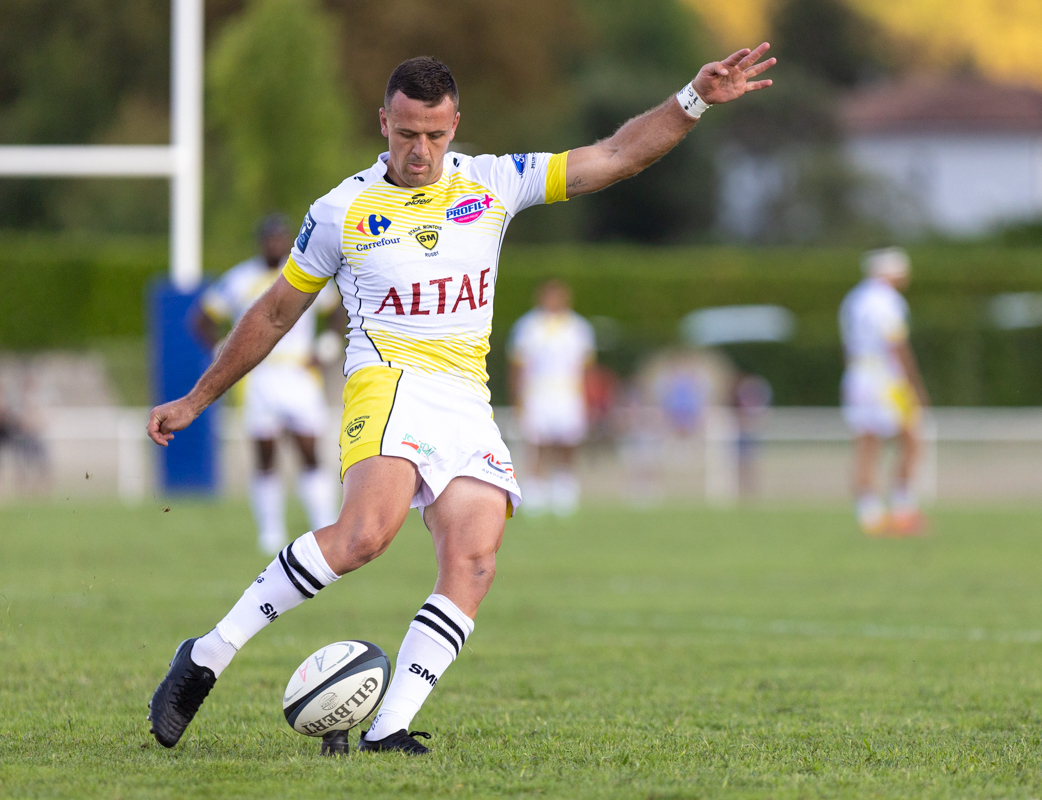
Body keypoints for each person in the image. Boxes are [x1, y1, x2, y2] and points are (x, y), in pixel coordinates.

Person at [146, 49, 776, 754]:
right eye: (406, 133)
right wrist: (197, 399)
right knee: (364, 537)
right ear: (383, 122)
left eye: (435, 135)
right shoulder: (340, 210)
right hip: (388, 380)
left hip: (465, 399)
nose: (420, 151)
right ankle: (207, 655)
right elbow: (272, 313)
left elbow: (616, 155)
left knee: (474, 562)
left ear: (455, 126)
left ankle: (388, 727)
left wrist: (693, 98)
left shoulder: (495, 181)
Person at [195, 214, 344, 554]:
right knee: (265, 454)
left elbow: (337, 310)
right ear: (260, 242)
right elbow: (202, 319)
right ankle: (270, 533)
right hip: (259, 376)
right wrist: (223, 353)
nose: (275, 244)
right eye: (270, 238)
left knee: (309, 450)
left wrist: (327, 347)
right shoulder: (240, 279)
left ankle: (324, 525)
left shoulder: (305, 271)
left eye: (281, 238)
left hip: (299, 372)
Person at [838, 247, 930, 536]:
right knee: (912, 439)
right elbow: (896, 344)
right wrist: (914, 383)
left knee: (867, 444)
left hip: (858, 375)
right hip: (886, 379)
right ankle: (903, 510)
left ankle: (870, 516)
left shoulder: (854, 299)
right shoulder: (888, 300)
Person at [507, 280, 595, 516]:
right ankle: (535, 490)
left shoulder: (578, 327)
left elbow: (586, 367)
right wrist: (517, 397)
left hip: (568, 393)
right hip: (537, 392)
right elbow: (517, 365)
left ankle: (563, 489)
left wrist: (587, 397)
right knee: (537, 441)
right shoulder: (528, 327)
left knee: (568, 442)